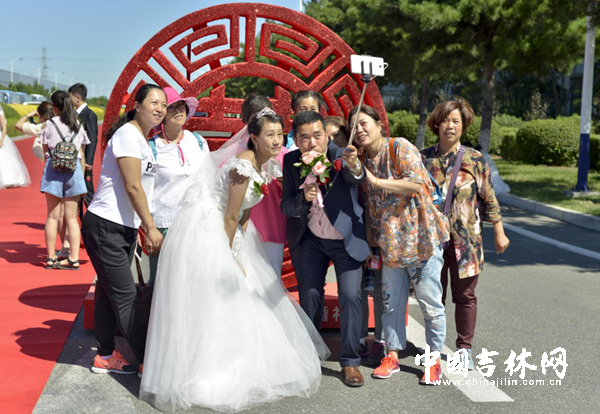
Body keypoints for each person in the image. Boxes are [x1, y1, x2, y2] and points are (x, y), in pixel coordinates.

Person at [140, 108, 329, 413]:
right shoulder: (243, 165)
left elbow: (244, 214)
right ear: (253, 137)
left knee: (241, 289)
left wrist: (240, 250)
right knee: (218, 293)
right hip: (208, 229)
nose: (276, 140)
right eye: (269, 134)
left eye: (280, 134)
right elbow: (229, 216)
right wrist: (227, 255)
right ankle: (203, 372)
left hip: (228, 227)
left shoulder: (263, 165)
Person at [349, 105, 449, 385]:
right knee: (391, 304)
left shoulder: (399, 147)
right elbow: (369, 203)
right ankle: (391, 355)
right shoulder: (362, 160)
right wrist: (371, 239)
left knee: (430, 305)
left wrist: (375, 179)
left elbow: (416, 184)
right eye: (354, 126)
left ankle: (433, 361)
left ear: (379, 124)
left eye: (364, 123)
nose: (360, 130)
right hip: (390, 245)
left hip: (421, 243)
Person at [82, 84, 166, 376]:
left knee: (108, 294)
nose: (159, 108)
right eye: (153, 102)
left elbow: (142, 190)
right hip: (106, 225)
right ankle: (149, 364)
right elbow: (132, 186)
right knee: (126, 297)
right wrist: (151, 227)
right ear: (137, 105)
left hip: (122, 227)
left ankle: (105, 355)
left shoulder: (142, 139)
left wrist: (138, 227)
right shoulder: (128, 135)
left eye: (163, 104)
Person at [281, 110, 370, 387]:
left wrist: (355, 166)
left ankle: (350, 361)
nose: (312, 143)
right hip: (311, 239)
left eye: (317, 136)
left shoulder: (342, 155)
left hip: (345, 240)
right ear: (296, 139)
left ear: (326, 136)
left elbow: (357, 178)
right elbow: (286, 206)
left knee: (350, 296)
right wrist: (302, 198)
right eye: (304, 138)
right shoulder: (291, 160)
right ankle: (309, 356)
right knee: (309, 295)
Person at [421, 98, 510, 369]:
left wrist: (499, 231)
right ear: (436, 124)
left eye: (455, 121)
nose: (450, 125)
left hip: (466, 241)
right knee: (433, 297)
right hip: (432, 240)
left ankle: (463, 350)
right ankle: (433, 350)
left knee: (465, 296)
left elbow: (489, 196)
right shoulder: (423, 158)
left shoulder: (474, 159)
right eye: (445, 120)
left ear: (463, 125)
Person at [147, 87, 209, 284]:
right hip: (164, 225)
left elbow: (208, 181)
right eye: (172, 107)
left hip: (196, 224)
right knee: (164, 283)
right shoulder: (151, 147)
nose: (179, 110)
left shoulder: (198, 141)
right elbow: (144, 190)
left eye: (182, 106)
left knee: (194, 282)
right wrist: (149, 229)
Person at [39, 91, 90, 270]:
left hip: (53, 171)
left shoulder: (48, 124)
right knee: (72, 218)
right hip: (74, 171)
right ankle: (73, 258)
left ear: (54, 107)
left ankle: (50, 257)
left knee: (52, 216)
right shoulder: (78, 124)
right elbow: (81, 152)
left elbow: (45, 151)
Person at [16, 102, 72, 261]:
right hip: (70, 170)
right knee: (67, 215)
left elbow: (18, 126)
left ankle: (53, 254)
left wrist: (28, 115)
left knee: (54, 216)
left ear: (42, 116)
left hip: (52, 171)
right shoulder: (69, 124)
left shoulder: (43, 127)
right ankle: (67, 247)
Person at [245, 95, 288, 277]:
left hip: (272, 226)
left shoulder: (284, 155)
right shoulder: (239, 155)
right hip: (245, 228)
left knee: (271, 280)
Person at [69, 83, 99, 212]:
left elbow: (92, 139)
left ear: (77, 98)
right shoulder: (72, 114)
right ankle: (80, 217)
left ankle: (95, 216)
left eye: (69, 97)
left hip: (84, 161)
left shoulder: (89, 115)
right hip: (75, 159)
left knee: (87, 192)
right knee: (77, 191)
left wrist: (89, 161)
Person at [0, 104, 31, 189]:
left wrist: (1, 139)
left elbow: (4, 128)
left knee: (4, 158)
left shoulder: (0, 111)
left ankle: (8, 180)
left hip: (0, 137)